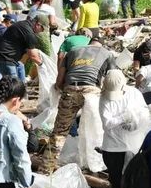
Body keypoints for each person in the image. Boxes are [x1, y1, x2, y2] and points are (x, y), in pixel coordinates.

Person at [39, 40, 116, 173]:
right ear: (101, 45)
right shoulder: (107, 53)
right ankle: (99, 167)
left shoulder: (72, 51)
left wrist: (63, 94)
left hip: (71, 89)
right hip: (92, 92)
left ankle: (45, 170)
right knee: (97, 131)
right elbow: (113, 79)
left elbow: (59, 81)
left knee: (59, 133)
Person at [99, 70, 147, 188]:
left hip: (133, 145)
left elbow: (144, 114)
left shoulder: (134, 94)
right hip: (113, 146)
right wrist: (124, 117)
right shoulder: (104, 98)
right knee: (116, 180)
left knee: (133, 179)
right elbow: (107, 124)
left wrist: (134, 123)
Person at [0, 18, 42, 82]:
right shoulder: (30, 33)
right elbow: (33, 56)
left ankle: (22, 86)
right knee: (13, 84)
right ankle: (19, 87)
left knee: (20, 66)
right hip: (6, 59)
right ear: (38, 25)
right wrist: (41, 64)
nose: (41, 32)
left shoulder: (23, 24)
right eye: (42, 29)